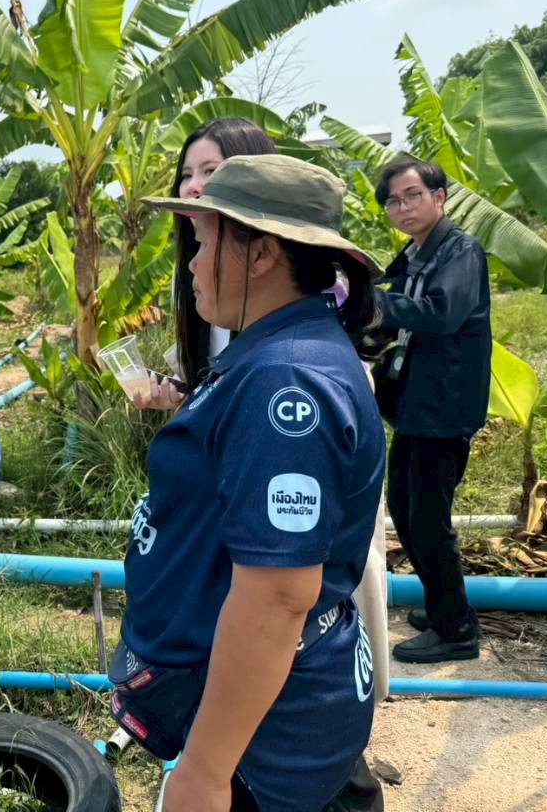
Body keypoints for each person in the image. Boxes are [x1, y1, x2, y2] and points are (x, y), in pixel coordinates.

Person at [113, 154, 386, 812]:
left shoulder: (283, 383)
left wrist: (205, 772)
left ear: (260, 255)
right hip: (279, 705)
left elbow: (279, 596)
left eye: (204, 243)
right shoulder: (280, 354)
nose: (193, 264)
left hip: (266, 741)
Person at [371, 157, 491, 664]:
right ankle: (444, 604)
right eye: (393, 201)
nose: (402, 207)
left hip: (442, 406)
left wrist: (374, 305)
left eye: (412, 195)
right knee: (405, 507)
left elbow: (442, 314)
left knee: (428, 518)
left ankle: (457, 629)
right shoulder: (416, 254)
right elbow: (398, 322)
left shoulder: (460, 250)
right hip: (416, 404)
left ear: (439, 197)